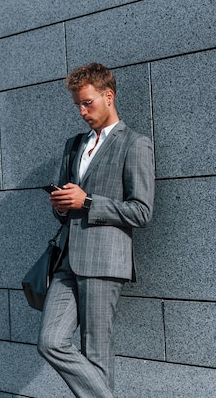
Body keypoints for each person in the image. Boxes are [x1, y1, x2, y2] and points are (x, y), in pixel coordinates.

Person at [37, 63, 155, 397]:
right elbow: (69, 206)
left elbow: (142, 211)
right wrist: (61, 206)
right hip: (67, 261)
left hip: (105, 262)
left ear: (108, 96)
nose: (82, 111)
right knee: (50, 341)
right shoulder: (73, 145)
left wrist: (88, 201)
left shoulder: (134, 144)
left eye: (87, 102)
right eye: (77, 105)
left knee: (97, 354)